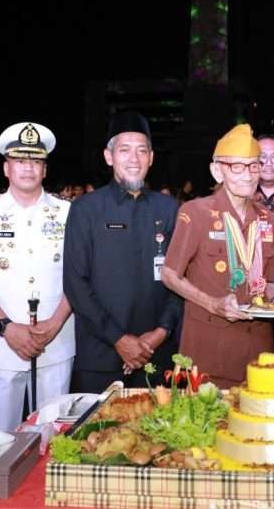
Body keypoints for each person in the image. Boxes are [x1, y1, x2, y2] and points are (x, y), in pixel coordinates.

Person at [0, 122, 74, 431]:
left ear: (45, 169)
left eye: (36, 161)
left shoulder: (70, 213)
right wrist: (7, 328)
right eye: (20, 160)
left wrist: (54, 323)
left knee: (53, 437)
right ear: (6, 167)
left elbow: (79, 276)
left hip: (56, 339)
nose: (28, 168)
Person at [63, 112, 182, 392]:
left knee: (160, 433)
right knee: (98, 434)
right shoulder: (86, 208)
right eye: (124, 150)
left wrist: (160, 333)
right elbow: (75, 283)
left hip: (157, 354)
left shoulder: (168, 209)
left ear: (151, 158)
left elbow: (180, 280)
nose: (134, 159)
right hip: (100, 356)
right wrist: (119, 339)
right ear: (109, 156)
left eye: (142, 151)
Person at [161, 124, 274, 387]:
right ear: (217, 171)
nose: (248, 175)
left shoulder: (268, 219)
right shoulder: (195, 212)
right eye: (236, 166)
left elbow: (267, 283)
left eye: (253, 166)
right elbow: (169, 274)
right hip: (210, 345)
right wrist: (212, 303)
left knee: (258, 423)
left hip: (259, 346)